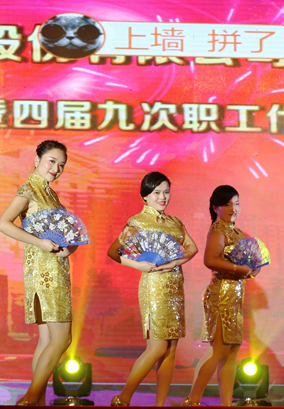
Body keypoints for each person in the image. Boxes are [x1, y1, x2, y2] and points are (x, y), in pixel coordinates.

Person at [0, 140, 79, 406]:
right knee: (62, 339)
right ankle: (31, 397)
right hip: (45, 272)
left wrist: (68, 247)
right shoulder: (30, 188)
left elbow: (63, 235)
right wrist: (41, 243)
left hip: (52, 269)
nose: (56, 168)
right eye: (51, 161)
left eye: (61, 165)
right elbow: (3, 223)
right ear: (37, 160)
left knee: (46, 340)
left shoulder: (49, 193)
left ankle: (38, 401)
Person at [107, 172, 198, 407]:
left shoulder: (175, 222)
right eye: (156, 192)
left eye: (166, 192)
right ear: (145, 196)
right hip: (154, 287)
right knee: (157, 348)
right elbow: (113, 252)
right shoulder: (137, 222)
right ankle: (123, 398)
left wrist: (173, 262)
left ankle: (160, 404)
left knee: (170, 349)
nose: (162, 197)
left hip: (175, 288)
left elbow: (192, 248)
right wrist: (139, 265)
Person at [183, 185, 260, 407]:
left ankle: (225, 404)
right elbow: (210, 260)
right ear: (215, 207)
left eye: (236, 203)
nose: (233, 208)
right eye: (227, 204)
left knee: (232, 352)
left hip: (235, 297)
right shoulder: (218, 230)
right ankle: (192, 400)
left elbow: (247, 263)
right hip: (221, 296)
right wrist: (239, 269)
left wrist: (252, 269)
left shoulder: (237, 233)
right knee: (219, 350)